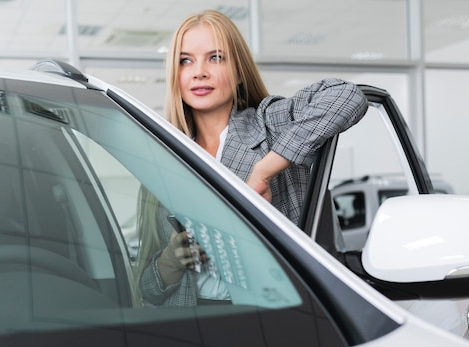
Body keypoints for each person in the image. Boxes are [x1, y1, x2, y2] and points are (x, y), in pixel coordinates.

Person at [135, 9, 368, 307]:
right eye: (186, 61)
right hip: (190, 325)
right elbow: (148, 291)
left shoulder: (269, 124)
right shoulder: (164, 158)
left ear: (239, 71)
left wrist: (264, 170)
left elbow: (346, 95)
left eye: (215, 58)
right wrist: (171, 261)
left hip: (274, 315)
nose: (199, 72)